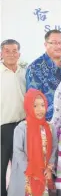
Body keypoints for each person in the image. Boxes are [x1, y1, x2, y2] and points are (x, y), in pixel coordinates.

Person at [8, 88, 58, 196]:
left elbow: (54, 147)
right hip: (27, 174)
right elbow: (18, 151)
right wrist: (31, 169)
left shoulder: (50, 128)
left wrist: (49, 168)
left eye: (42, 105)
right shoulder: (21, 128)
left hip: (44, 173)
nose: (40, 109)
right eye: (35, 106)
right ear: (28, 107)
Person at [0, 39, 26, 196]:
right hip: (3, 126)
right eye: (7, 51)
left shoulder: (25, 73)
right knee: (1, 167)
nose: (11, 54)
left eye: (14, 51)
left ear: (19, 54)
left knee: (21, 167)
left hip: (23, 127)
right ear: (1, 53)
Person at [26, 29, 61, 121]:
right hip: (48, 122)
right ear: (46, 45)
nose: (58, 46)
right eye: (54, 43)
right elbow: (32, 99)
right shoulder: (35, 67)